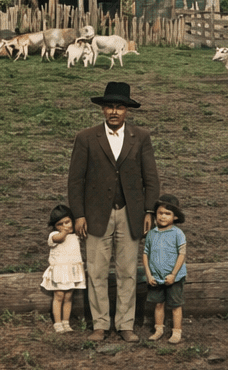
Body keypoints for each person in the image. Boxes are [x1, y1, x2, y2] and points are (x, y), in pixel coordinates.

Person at [68, 82, 160, 342]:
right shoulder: (86, 137)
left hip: (130, 213)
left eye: (119, 107)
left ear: (127, 110)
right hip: (96, 214)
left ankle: (125, 324)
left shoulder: (140, 137)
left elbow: (151, 178)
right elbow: (75, 180)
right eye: (109, 107)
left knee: (127, 272)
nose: (114, 112)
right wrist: (79, 215)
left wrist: (148, 210)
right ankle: (99, 324)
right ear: (102, 109)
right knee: (97, 270)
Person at [143, 194, 188, 344]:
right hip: (156, 277)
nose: (163, 216)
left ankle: (176, 331)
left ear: (175, 217)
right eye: (160, 213)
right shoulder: (151, 234)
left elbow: (182, 254)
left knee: (175, 305)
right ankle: (158, 330)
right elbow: (145, 254)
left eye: (167, 213)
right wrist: (149, 275)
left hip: (173, 277)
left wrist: (173, 274)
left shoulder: (177, 233)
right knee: (158, 304)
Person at [41, 204, 85, 333]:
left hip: (71, 271)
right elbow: (58, 239)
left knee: (68, 297)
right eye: (60, 224)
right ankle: (57, 322)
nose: (65, 226)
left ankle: (66, 322)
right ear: (55, 226)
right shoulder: (54, 235)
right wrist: (64, 232)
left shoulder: (75, 235)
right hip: (60, 272)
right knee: (59, 295)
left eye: (67, 222)